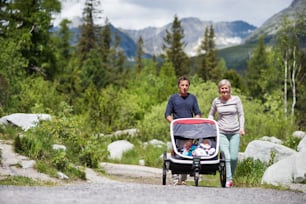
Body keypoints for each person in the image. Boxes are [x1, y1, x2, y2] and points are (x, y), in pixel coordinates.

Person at [165, 76, 202, 185]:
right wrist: (173, 122)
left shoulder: (192, 98)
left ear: (188, 86)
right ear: (179, 86)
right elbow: (167, 114)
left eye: (186, 85)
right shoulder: (173, 98)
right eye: (182, 85)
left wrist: (195, 121)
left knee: (187, 152)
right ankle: (175, 177)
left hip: (189, 130)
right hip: (177, 130)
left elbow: (198, 113)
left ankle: (184, 178)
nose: (185, 87)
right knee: (175, 152)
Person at [208, 79, 245, 188]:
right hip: (221, 132)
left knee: (234, 158)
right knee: (227, 157)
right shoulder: (216, 101)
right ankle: (229, 180)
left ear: (229, 89)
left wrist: (241, 128)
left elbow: (241, 114)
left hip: (235, 132)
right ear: (219, 90)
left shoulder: (236, 100)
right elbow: (211, 114)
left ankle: (230, 177)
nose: (224, 90)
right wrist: (211, 125)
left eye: (226, 88)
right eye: (222, 88)